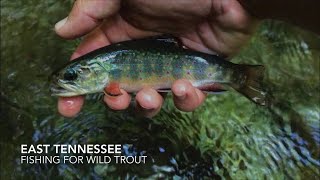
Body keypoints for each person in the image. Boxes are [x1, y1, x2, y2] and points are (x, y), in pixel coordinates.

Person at [54, 0, 319, 118]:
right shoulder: (107, 73)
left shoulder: (109, 73)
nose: (68, 80)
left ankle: (240, 76)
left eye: (72, 76)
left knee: (156, 97)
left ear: (94, 70)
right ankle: (240, 76)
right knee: (160, 95)